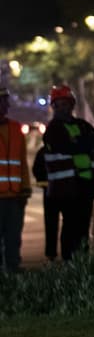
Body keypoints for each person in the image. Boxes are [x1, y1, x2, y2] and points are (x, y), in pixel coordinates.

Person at [32, 85, 94, 261]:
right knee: (70, 228)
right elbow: (69, 146)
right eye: (61, 104)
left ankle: (82, 262)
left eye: (68, 103)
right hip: (65, 190)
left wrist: (80, 144)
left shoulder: (82, 125)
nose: (65, 107)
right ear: (54, 106)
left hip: (84, 186)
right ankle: (70, 263)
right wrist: (83, 144)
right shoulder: (53, 130)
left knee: (83, 228)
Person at [0, 88, 31, 273]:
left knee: (13, 237)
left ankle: (13, 270)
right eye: (3, 101)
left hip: (15, 197)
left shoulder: (15, 129)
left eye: (6, 101)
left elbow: (22, 163)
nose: (7, 105)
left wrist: (25, 189)